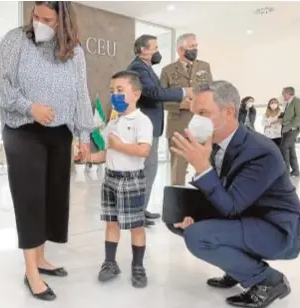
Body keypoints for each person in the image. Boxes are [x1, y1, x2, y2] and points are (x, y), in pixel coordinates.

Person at [0, 1, 94, 301]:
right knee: (30, 199)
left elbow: (81, 93)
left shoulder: (75, 52)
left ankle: (42, 258)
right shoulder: (16, 40)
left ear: (63, 22)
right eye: (36, 16)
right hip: (23, 130)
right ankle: (31, 272)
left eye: (47, 19)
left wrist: (83, 134)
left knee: (52, 198)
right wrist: (29, 107)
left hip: (60, 132)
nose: (40, 23)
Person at [170, 80, 300, 308]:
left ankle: (268, 281)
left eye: (203, 112)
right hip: (248, 215)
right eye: (195, 113)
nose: (196, 121)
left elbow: (231, 206)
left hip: (277, 229)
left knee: (197, 236)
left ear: (229, 111)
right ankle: (238, 268)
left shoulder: (259, 150)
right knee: (178, 222)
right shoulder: (215, 144)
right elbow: (223, 195)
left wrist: (202, 168)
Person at [85, 71, 153, 288]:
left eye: (120, 91)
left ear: (136, 94)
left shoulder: (142, 121)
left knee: (136, 226)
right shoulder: (113, 122)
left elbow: (144, 150)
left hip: (131, 180)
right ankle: (110, 262)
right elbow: (107, 153)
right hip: (110, 179)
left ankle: (138, 266)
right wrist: (87, 157)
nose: (114, 95)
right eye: (112, 91)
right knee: (111, 223)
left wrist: (120, 146)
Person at [128, 34, 193, 226]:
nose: (158, 51)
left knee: (149, 170)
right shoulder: (138, 68)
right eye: (155, 48)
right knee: (148, 169)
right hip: (146, 126)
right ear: (143, 50)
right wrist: (183, 91)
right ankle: (136, 213)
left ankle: (141, 209)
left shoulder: (146, 67)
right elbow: (153, 93)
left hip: (151, 125)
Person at [161, 33, 213, 186]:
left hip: (202, 126)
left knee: (205, 167)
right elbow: (161, 99)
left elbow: (211, 91)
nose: (195, 49)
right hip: (178, 126)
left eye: (196, 46)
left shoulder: (204, 67)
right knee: (178, 171)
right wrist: (180, 105)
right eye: (191, 47)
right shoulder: (167, 71)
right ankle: (178, 206)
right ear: (180, 49)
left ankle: (206, 202)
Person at [279, 86, 300, 177]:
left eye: (284, 93)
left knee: (283, 148)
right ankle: (295, 171)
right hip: (286, 129)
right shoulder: (287, 103)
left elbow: (299, 116)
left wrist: (292, 126)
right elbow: (288, 116)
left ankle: (285, 171)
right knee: (291, 150)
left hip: (292, 129)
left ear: (289, 93)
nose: (282, 95)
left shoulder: (297, 101)